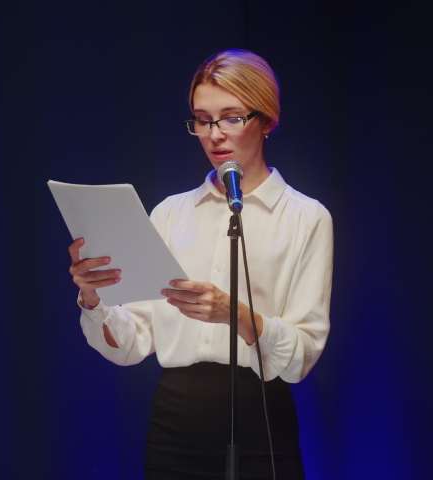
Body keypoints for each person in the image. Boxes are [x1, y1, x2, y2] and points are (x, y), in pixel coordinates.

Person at [67, 49, 333, 480]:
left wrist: (235, 314)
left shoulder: (305, 217)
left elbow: (300, 358)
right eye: (203, 120)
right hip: (176, 423)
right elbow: (133, 344)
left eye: (231, 117)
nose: (215, 135)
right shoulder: (170, 213)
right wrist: (93, 296)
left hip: (260, 419)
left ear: (266, 119)